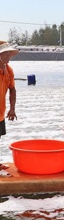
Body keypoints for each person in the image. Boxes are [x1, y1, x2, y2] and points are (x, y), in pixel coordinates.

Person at [0, 41, 19, 177]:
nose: (9, 56)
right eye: (6, 53)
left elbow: (12, 90)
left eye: (10, 53)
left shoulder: (8, 70)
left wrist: (12, 109)